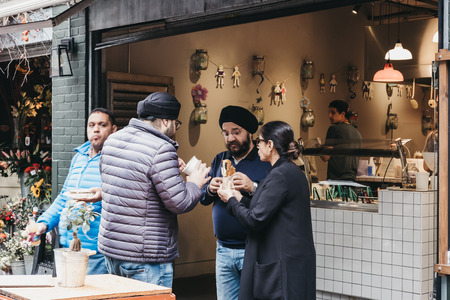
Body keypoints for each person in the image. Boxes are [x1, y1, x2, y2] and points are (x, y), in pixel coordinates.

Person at [98, 92, 210, 288]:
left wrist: (167, 171)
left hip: (112, 252)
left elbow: (130, 184)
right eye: (177, 123)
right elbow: (179, 202)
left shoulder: (113, 140)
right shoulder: (161, 148)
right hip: (145, 259)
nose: (176, 128)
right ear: (166, 121)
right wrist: (194, 182)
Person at [217, 121, 316, 300]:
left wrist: (230, 200)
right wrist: (238, 197)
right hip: (291, 261)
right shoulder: (289, 171)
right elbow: (265, 208)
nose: (257, 147)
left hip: (282, 264)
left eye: (259, 142)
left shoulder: (279, 175)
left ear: (270, 145)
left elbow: (255, 219)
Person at [35, 108, 117, 275]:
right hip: (70, 245)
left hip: (96, 249)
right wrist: (44, 222)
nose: (96, 129)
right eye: (91, 125)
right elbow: (65, 196)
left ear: (113, 129)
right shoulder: (79, 157)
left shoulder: (116, 159)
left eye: (102, 125)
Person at [201, 105, 271, 300]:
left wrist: (253, 186)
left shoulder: (264, 160)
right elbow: (203, 199)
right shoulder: (220, 159)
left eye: (236, 132)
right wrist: (210, 189)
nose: (230, 138)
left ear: (249, 132)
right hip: (223, 249)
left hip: (253, 249)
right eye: (225, 133)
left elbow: (271, 202)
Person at [320, 99, 362, 181]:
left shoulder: (333, 129)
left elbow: (325, 157)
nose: (329, 115)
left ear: (343, 114)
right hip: (352, 179)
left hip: (336, 180)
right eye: (329, 112)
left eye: (333, 112)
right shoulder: (357, 132)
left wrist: (317, 147)